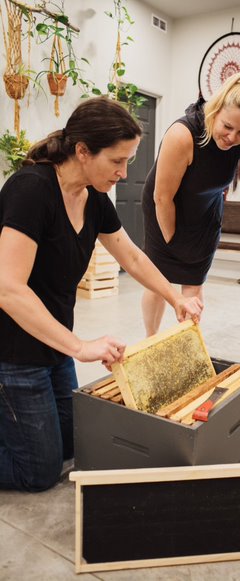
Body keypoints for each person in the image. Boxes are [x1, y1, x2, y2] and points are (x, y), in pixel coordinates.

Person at [0, 97, 203, 492]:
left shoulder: (94, 197)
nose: (124, 173)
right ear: (81, 151)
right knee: (38, 473)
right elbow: (8, 289)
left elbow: (131, 256)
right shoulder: (31, 190)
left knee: (70, 448)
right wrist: (79, 346)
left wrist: (175, 298)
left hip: (51, 346)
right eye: (117, 161)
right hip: (12, 352)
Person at [141, 72, 240, 336]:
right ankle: (150, 340)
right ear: (215, 110)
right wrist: (172, 239)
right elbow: (162, 197)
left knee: (194, 281)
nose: (232, 137)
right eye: (227, 126)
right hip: (165, 208)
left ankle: (189, 343)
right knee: (158, 281)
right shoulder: (183, 134)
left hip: (206, 214)